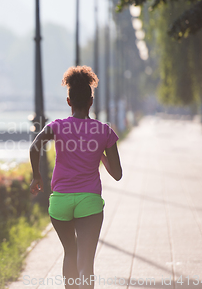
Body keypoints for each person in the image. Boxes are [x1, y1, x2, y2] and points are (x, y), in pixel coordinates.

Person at [29, 66, 122, 289]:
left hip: (60, 201)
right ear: (91, 102)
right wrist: (100, 154)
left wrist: (36, 177)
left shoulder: (57, 127)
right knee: (86, 260)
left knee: (70, 253)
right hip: (89, 201)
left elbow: (34, 147)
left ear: (68, 101)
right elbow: (117, 175)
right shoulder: (104, 131)